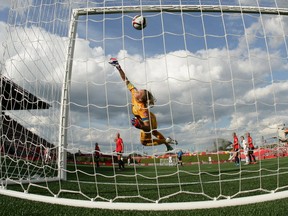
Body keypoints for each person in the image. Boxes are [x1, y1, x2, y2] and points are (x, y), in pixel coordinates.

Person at [109, 58, 177, 151]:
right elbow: (126, 80)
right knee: (154, 132)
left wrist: (140, 126)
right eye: (139, 90)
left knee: (144, 142)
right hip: (150, 117)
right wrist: (119, 68)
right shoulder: (134, 92)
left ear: (141, 99)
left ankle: (167, 141)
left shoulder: (143, 109)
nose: (137, 91)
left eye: (139, 92)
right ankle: (167, 142)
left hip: (148, 120)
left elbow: (147, 127)